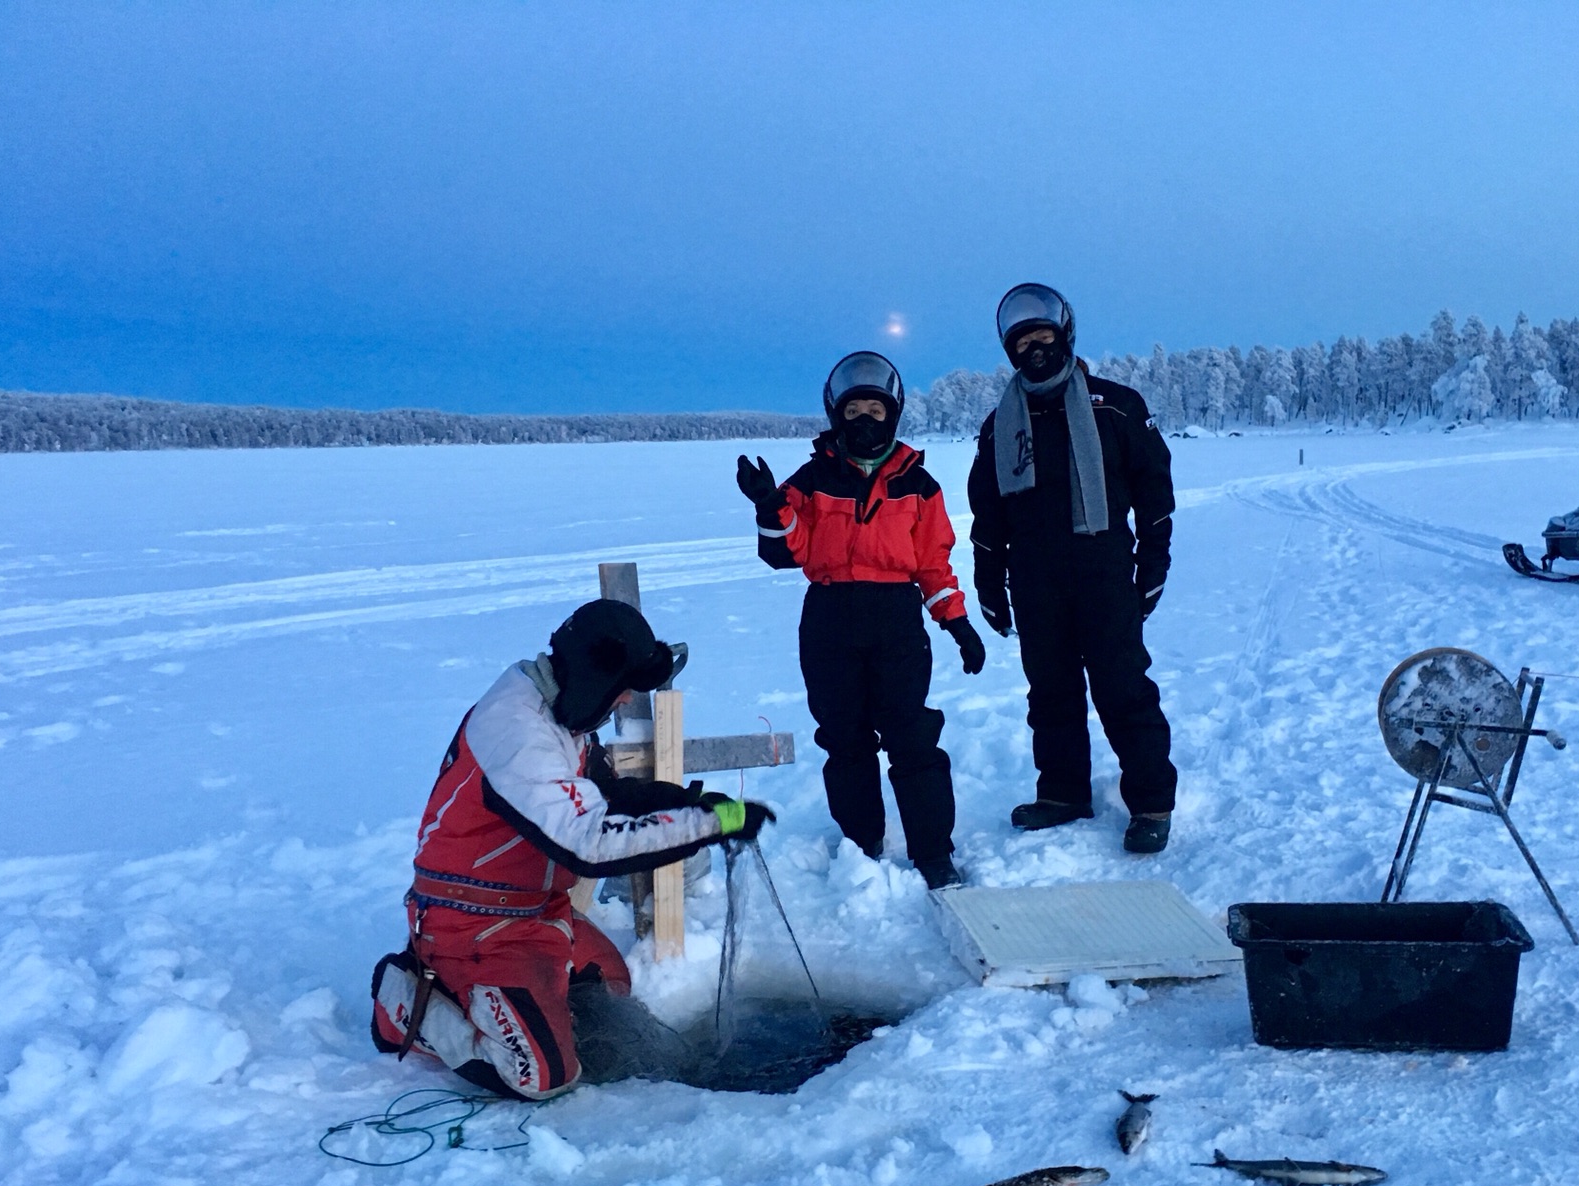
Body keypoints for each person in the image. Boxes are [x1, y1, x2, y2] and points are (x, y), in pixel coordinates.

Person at [371, 599, 772, 1099]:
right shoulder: (517, 735)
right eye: (622, 688)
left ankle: (508, 997)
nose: (626, 700)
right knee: (543, 1076)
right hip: (469, 923)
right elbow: (588, 846)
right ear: (592, 675)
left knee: (611, 994)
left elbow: (604, 791)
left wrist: (688, 802)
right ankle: (407, 1001)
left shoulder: (559, 709)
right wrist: (707, 825)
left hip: (535, 913)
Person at [735, 351, 984, 890]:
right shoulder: (811, 479)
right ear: (836, 416)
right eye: (855, 411)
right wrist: (767, 507)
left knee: (912, 735)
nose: (865, 419)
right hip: (830, 620)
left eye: (876, 409)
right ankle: (861, 844)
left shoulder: (920, 485)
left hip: (896, 621)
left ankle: (934, 853)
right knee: (845, 739)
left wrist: (957, 623)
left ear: (892, 414)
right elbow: (784, 552)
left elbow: (933, 564)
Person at [966, 283, 1179, 853]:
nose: (1034, 348)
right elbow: (987, 516)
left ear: (1065, 336)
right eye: (1022, 341)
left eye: (1044, 336)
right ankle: (1062, 792)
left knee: (1123, 690)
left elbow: (1155, 495)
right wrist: (990, 586)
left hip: (1105, 575)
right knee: (1051, 694)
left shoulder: (1116, 406)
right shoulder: (999, 425)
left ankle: (1152, 801)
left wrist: (1152, 567)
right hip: (1035, 580)